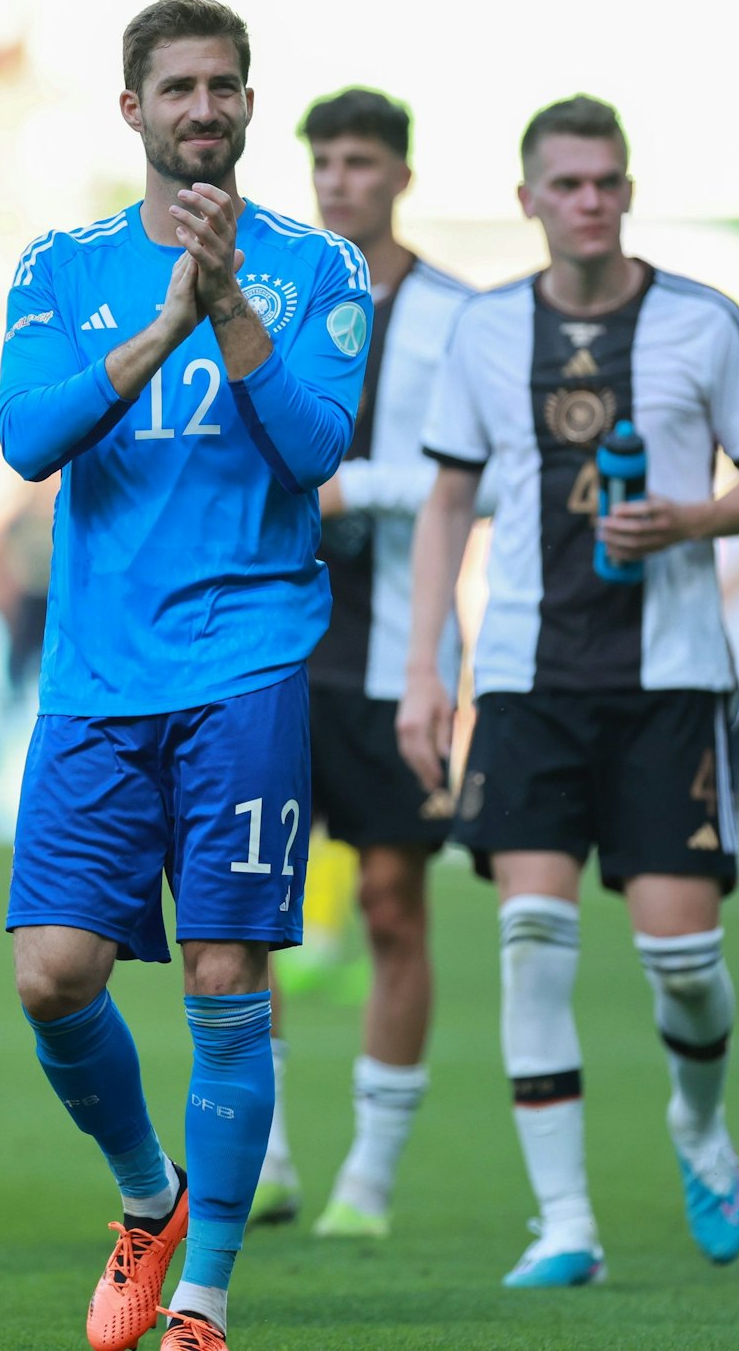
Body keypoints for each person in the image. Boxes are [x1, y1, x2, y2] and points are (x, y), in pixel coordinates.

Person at [0, 0, 370, 1351]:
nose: (202, 108)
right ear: (133, 110)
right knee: (52, 974)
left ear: (250, 104)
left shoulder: (318, 268)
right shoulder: (60, 264)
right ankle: (148, 1197)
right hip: (99, 673)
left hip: (250, 662)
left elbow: (317, 448)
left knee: (227, 975)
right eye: (178, 88)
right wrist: (164, 326)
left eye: (224, 86)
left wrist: (231, 312)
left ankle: (202, 1299)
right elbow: (27, 438)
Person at [399, 94, 739, 1288]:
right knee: (530, 935)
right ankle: (562, 1219)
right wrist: (424, 670)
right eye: (563, 184)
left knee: (684, 962)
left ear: (626, 191)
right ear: (526, 199)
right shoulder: (479, 333)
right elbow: (447, 502)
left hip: (666, 678)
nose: (586, 202)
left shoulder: (700, 323)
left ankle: (696, 1122)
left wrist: (693, 518)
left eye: (605, 182)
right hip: (524, 676)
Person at [247, 88, 473, 1238]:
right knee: (247, 907)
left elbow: (465, 482)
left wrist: (350, 484)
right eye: (325, 160)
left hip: (397, 652)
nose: (341, 179)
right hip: (275, 643)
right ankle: (268, 1153)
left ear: (401, 174)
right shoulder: (273, 296)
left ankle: (370, 1179)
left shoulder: (456, 314)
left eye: (362, 160)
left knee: (391, 905)